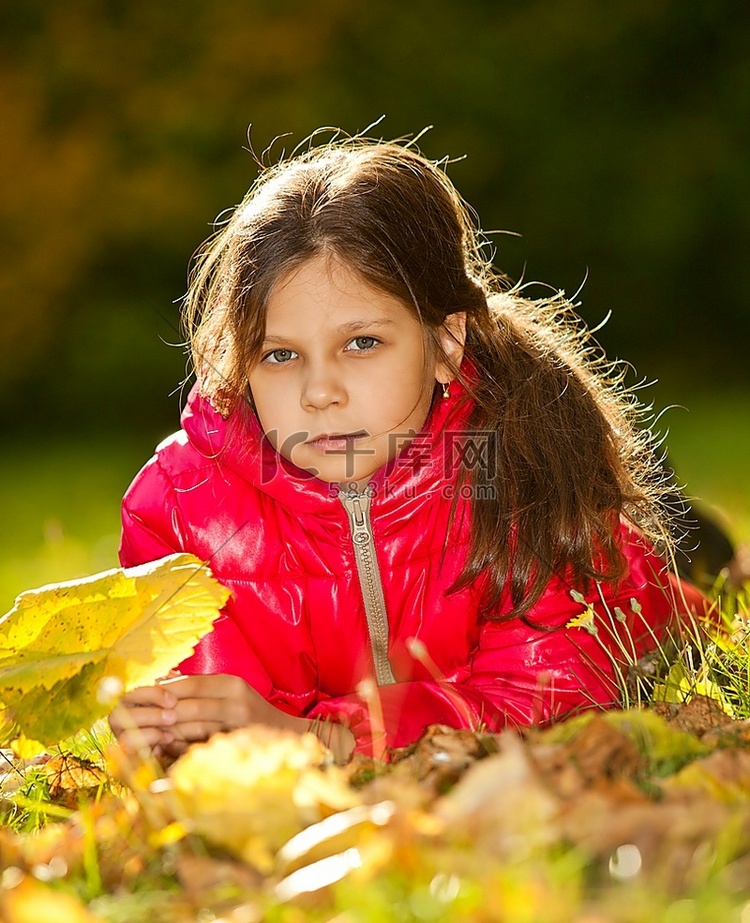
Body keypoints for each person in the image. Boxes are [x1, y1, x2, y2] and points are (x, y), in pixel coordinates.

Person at [110, 136, 706, 765]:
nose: (319, 393)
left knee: (687, 555)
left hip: (644, 594)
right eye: (280, 355)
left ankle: (698, 548)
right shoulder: (176, 509)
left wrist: (325, 738)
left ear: (446, 345)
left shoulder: (519, 469)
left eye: (362, 343)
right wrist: (167, 735)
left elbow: (549, 695)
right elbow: (216, 739)